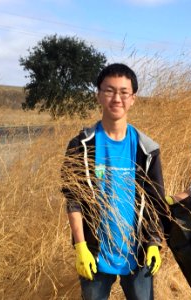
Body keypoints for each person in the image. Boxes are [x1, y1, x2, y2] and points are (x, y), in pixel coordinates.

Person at [61, 63, 165, 300]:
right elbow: (73, 199)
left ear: (133, 99)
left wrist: (153, 243)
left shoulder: (147, 150)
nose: (116, 98)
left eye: (123, 92)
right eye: (109, 90)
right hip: (95, 255)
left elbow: (154, 202)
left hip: (137, 255)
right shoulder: (81, 146)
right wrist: (81, 247)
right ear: (98, 94)